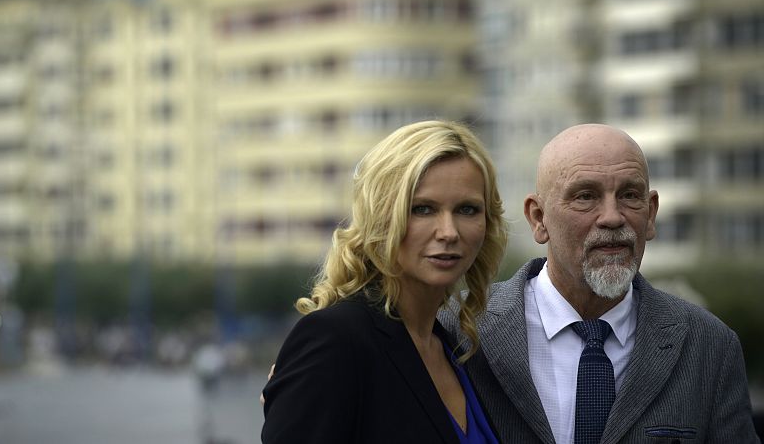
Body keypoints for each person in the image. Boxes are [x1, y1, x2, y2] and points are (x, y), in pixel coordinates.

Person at [440, 123, 760, 443]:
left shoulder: (709, 346)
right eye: (586, 196)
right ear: (538, 218)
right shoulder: (456, 328)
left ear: (650, 214)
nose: (612, 217)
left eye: (629, 195)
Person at [261, 120, 509, 443]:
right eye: (422, 209)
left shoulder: (459, 350)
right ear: (381, 216)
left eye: (467, 209)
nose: (449, 232)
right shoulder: (335, 340)